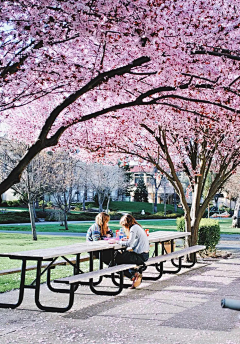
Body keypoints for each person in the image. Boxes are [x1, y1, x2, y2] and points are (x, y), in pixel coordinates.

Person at [114, 214, 149, 289]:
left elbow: (129, 244)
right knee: (121, 257)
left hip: (140, 256)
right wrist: (125, 240)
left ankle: (133, 275)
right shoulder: (137, 227)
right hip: (144, 255)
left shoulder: (133, 228)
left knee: (116, 259)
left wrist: (117, 242)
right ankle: (133, 273)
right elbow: (133, 242)